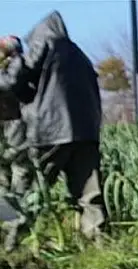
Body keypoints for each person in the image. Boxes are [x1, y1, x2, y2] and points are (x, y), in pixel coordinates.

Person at [0, 11, 107, 250]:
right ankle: (100, 247)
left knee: (31, 192)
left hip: (51, 131)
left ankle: (10, 247)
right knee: (89, 194)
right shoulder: (80, 55)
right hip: (86, 133)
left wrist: (14, 54)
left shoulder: (44, 45)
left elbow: (11, 82)